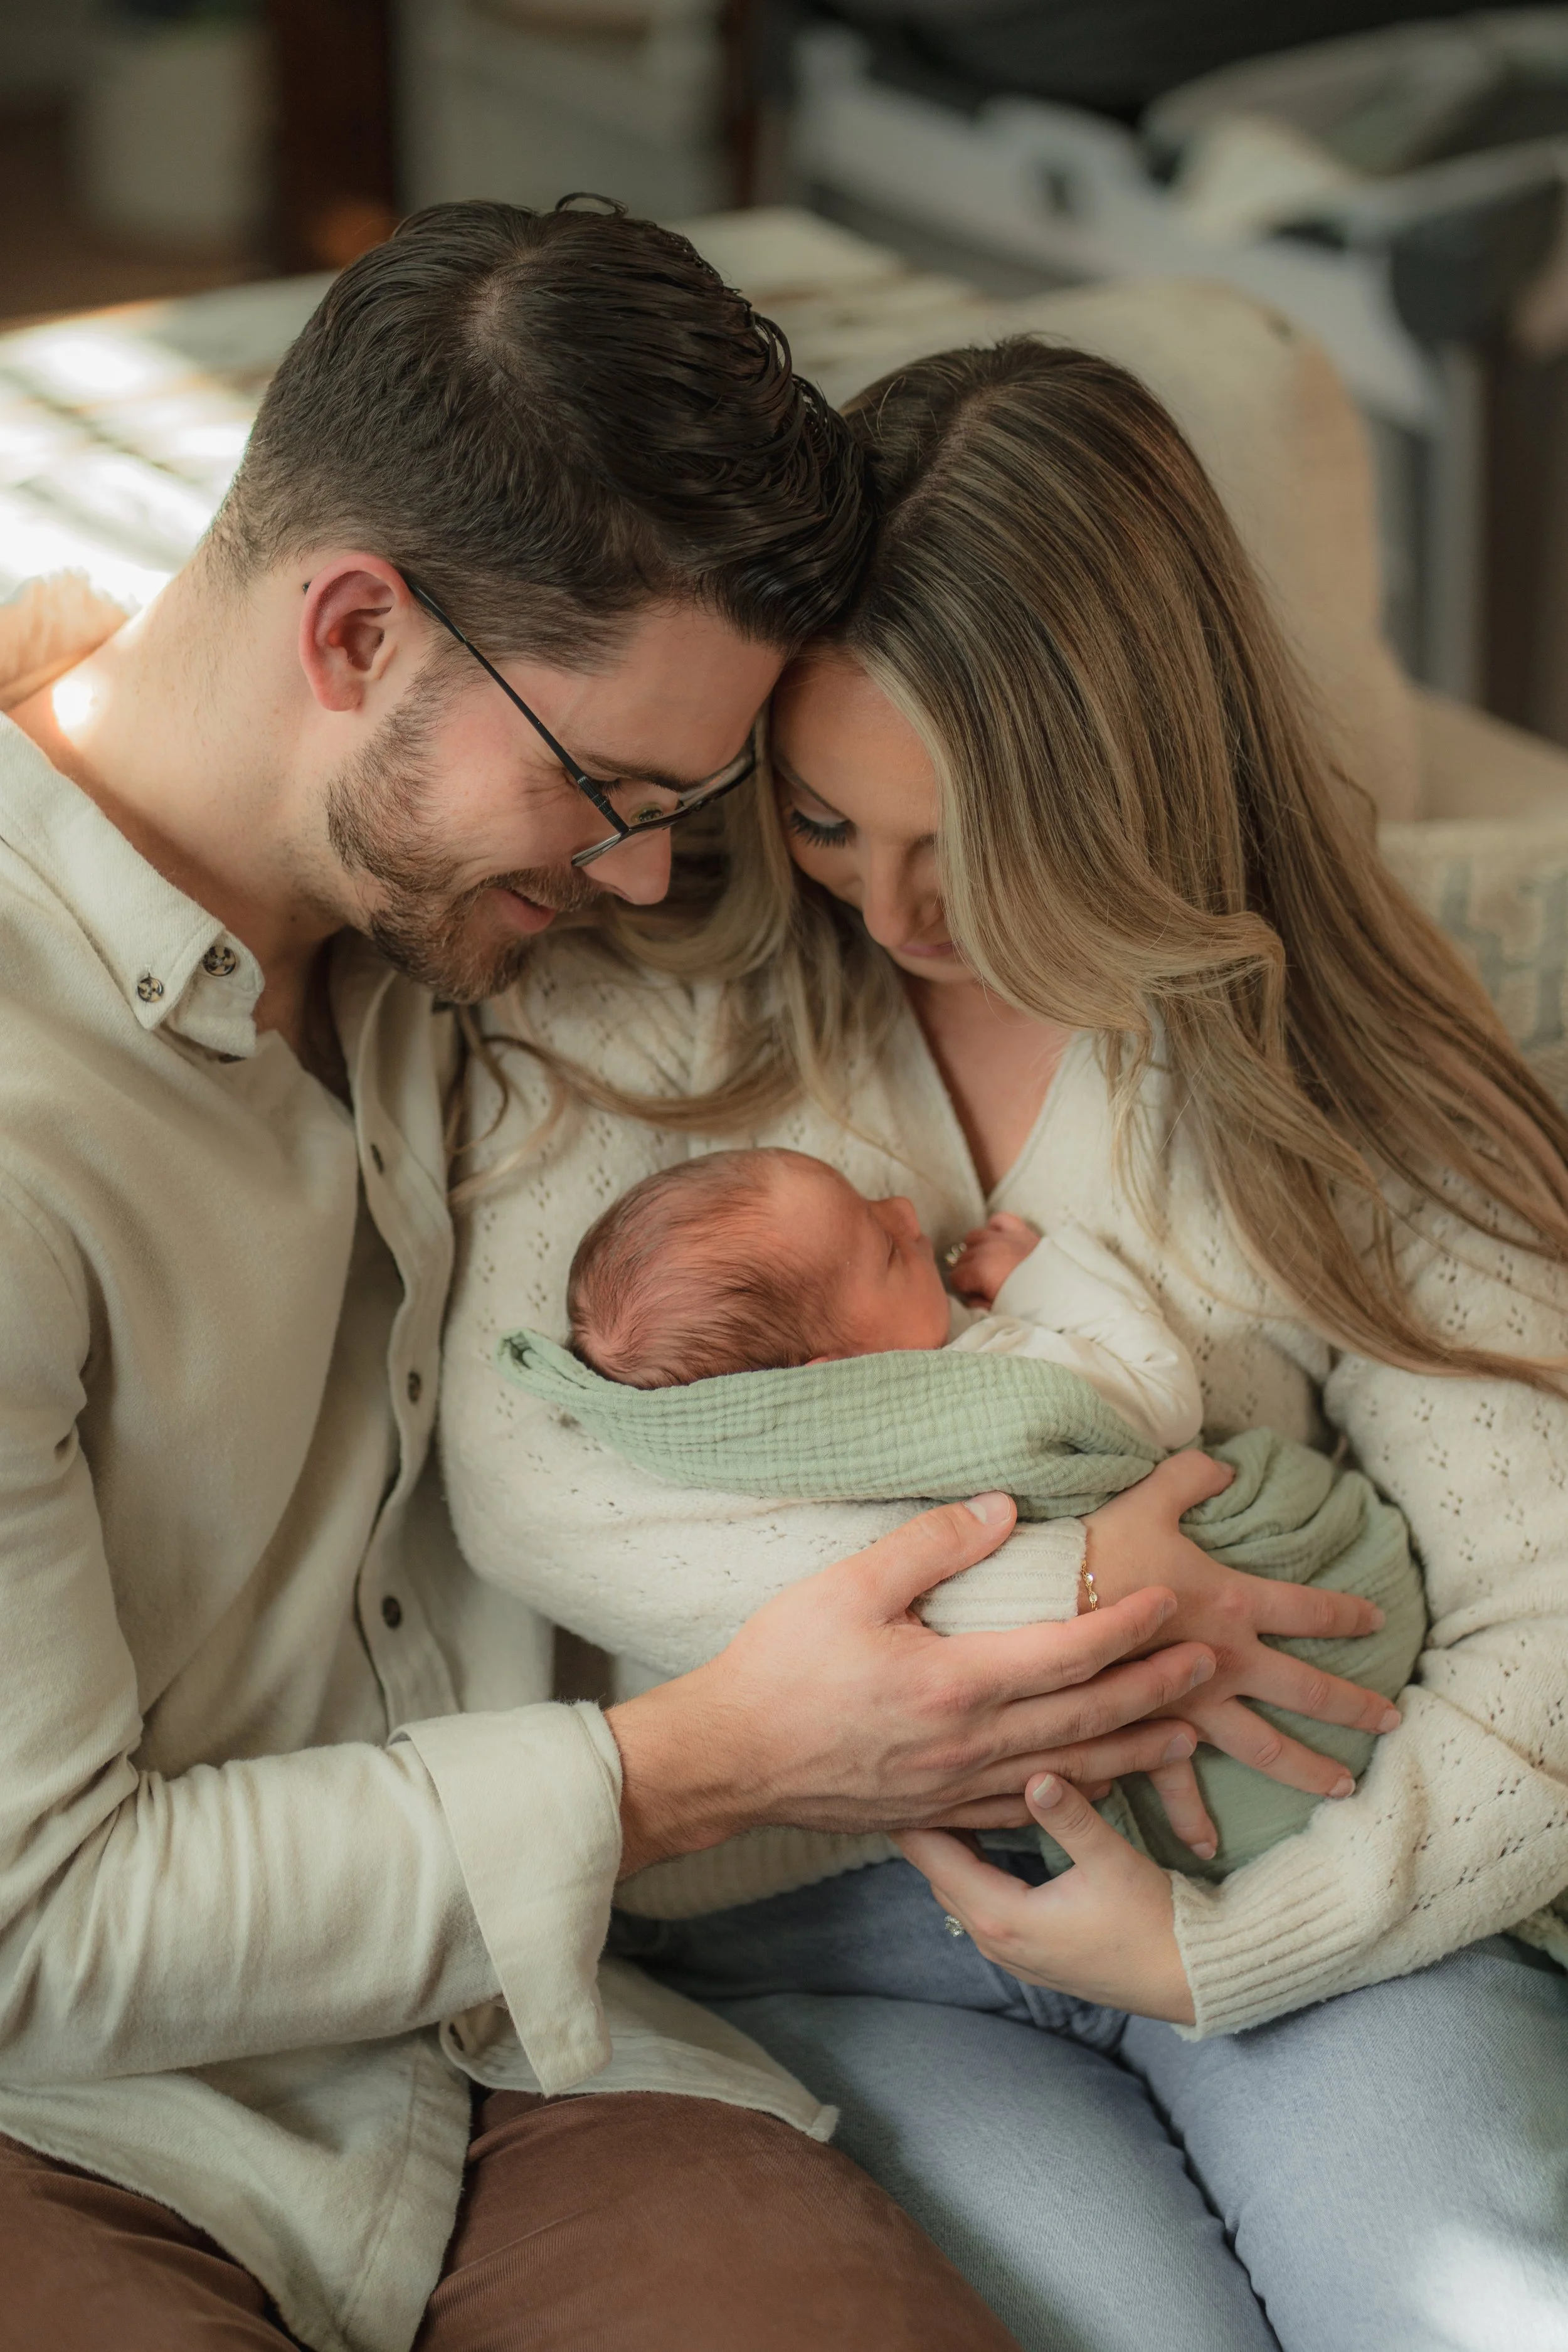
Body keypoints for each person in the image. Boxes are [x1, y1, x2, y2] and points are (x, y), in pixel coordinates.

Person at [0, 206, 1253, 2352]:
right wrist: (692, 1767)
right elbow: (38, 1931)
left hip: (538, 2050)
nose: (651, 875)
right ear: (354, 634)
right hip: (73, 2112)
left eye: (697, 800)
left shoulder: (474, 937)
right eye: (609, 793)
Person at [440, 339, 1568, 2351]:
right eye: (824, 826)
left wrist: (1243, 1939)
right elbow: (541, 1473)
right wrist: (1065, 1588)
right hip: (833, 1928)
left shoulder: (1332, 1067)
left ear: (1129, 785)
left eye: (965, 842)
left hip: (1293, 1882)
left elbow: (1552, 1609)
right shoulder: (649, 1013)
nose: (893, 915)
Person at [565, 1144, 1204, 1447]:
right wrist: (1034, 1277)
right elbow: (1166, 1399)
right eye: (890, 1251)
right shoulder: (995, 1384)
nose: (903, 1210)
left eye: (870, 1203)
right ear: (838, 1376)